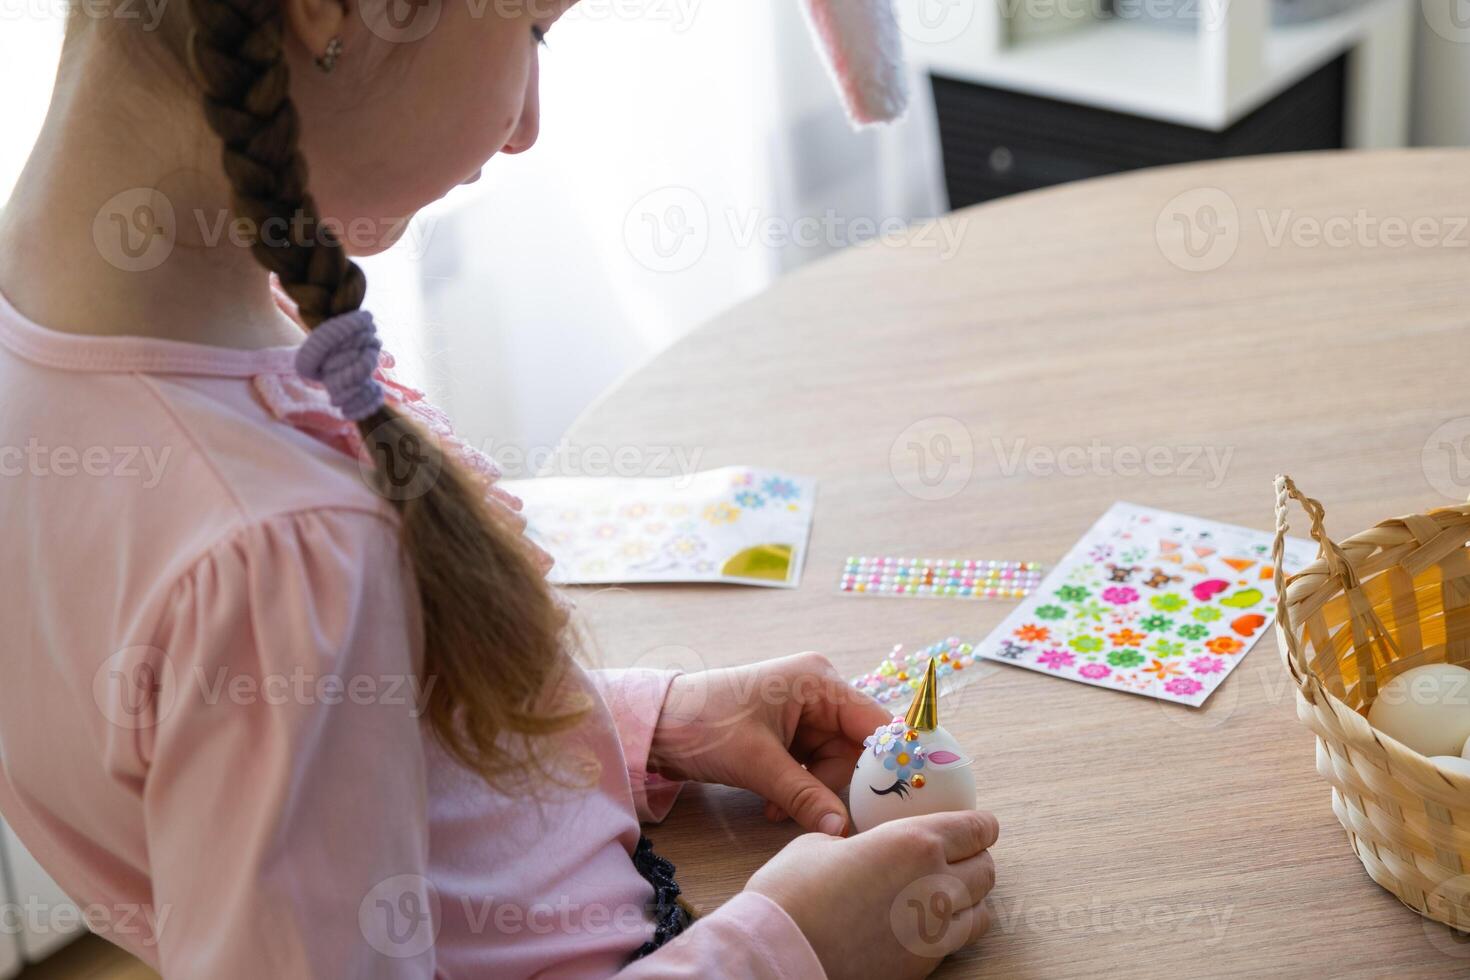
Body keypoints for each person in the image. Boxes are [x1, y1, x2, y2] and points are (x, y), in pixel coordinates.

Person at [0, 0, 998, 975]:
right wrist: (791, 945)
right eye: (532, 33)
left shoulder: (103, 360)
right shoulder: (279, 546)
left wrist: (646, 722)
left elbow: (331, 758)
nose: (527, 128)